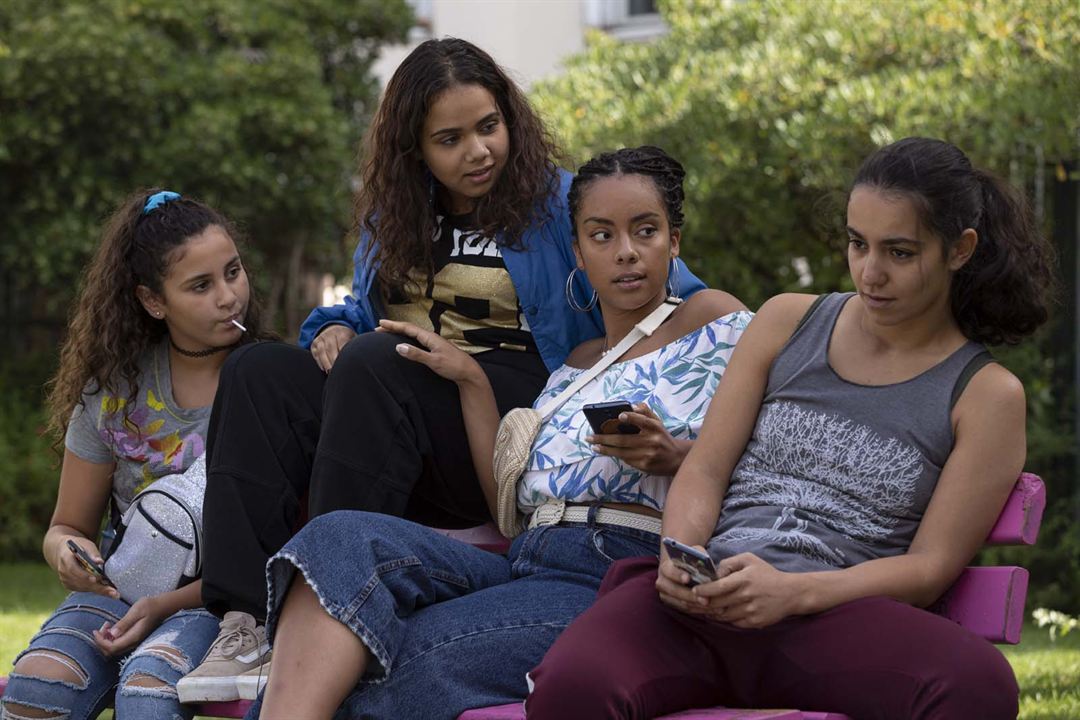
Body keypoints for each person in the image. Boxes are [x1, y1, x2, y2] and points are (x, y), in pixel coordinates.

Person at [178, 40, 708, 703]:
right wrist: (334, 327)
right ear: (416, 150)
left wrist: (769, 335)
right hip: (395, 412)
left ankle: (336, 605)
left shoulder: (565, 204)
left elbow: (677, 291)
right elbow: (366, 311)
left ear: (510, 117)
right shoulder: (397, 218)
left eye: (488, 126)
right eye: (450, 138)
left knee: (377, 362)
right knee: (261, 369)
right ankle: (243, 621)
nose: (478, 150)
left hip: (511, 415)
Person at [524, 137, 1057, 720]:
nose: (870, 273)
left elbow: (929, 568)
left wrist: (794, 592)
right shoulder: (786, 321)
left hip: (834, 619)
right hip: (707, 600)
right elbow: (704, 467)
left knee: (978, 684)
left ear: (960, 250)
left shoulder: (985, 395)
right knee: (571, 685)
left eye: (899, 252)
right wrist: (681, 555)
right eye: (858, 244)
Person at [242, 146, 750, 719]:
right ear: (578, 253)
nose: (626, 252)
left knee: (405, 660)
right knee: (334, 540)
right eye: (602, 236)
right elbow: (507, 510)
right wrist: (469, 381)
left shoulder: (718, 321)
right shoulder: (573, 366)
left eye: (646, 231)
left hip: (612, 572)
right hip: (527, 558)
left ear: (673, 242)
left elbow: (777, 451)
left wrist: (675, 455)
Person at [0, 191, 270, 720]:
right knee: (39, 685)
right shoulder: (113, 393)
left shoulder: (269, 383)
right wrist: (70, 556)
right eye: (201, 285)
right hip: (118, 593)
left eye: (233, 272)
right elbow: (66, 526)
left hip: (217, 605)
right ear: (152, 301)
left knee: (150, 691)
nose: (228, 296)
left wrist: (162, 607)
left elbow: (270, 551)